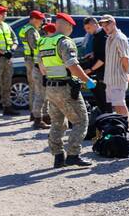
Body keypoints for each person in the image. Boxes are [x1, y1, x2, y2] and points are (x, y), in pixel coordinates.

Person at [37, 13, 96, 167]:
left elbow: (42, 68)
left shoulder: (44, 42)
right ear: (68, 26)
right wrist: (88, 81)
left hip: (51, 87)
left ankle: (58, 156)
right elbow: (72, 66)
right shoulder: (64, 42)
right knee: (81, 120)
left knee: (57, 123)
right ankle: (73, 154)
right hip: (66, 88)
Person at [18, 11, 48, 128]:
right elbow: (35, 46)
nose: (41, 22)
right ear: (34, 19)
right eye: (40, 19)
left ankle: (33, 113)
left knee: (33, 87)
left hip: (29, 59)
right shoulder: (31, 30)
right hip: (33, 61)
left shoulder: (27, 28)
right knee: (38, 88)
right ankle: (37, 115)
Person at [100, 15, 129, 118]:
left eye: (107, 25)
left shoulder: (120, 38)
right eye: (103, 26)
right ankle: (121, 127)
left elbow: (125, 58)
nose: (105, 28)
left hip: (118, 79)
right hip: (110, 79)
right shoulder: (109, 38)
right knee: (117, 106)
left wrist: (126, 73)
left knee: (120, 105)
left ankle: (125, 128)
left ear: (113, 23)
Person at [81, 16, 108, 112]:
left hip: (102, 74)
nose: (87, 31)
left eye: (88, 28)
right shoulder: (96, 35)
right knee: (98, 98)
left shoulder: (102, 36)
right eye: (85, 29)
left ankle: (107, 120)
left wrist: (91, 70)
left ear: (95, 24)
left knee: (103, 100)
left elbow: (103, 58)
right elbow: (100, 52)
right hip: (97, 73)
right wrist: (92, 54)